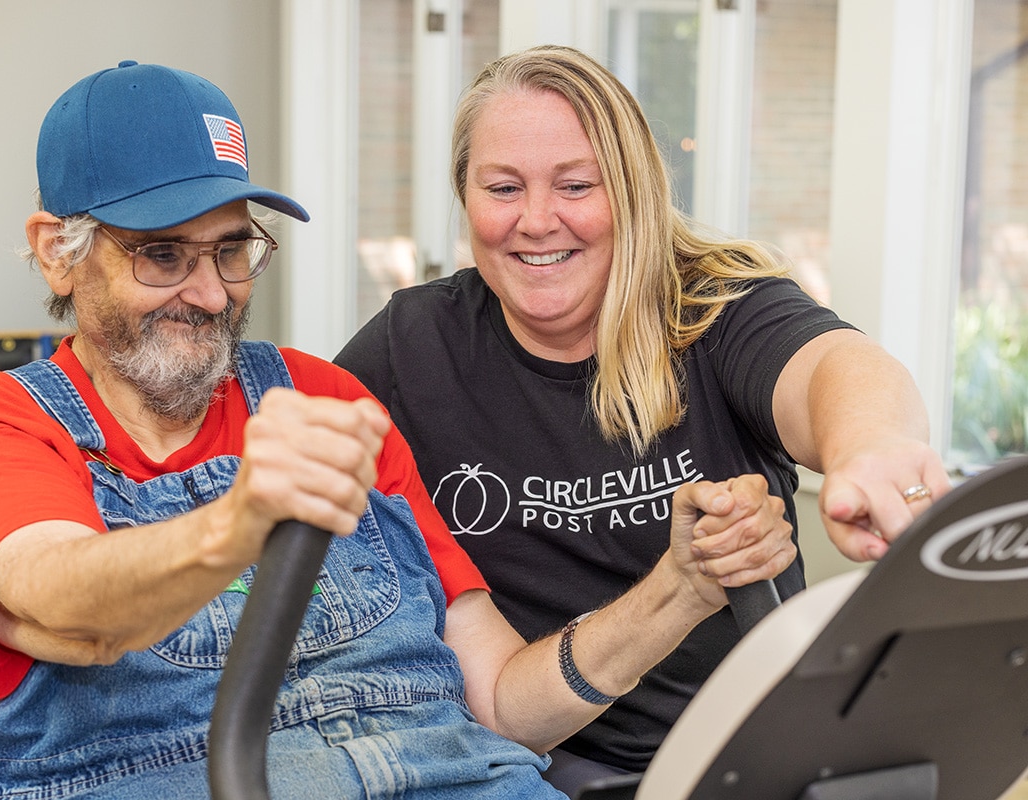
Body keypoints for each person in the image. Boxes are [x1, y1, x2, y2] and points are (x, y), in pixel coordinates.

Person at [0, 61, 795, 800]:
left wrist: (680, 587)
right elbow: (67, 607)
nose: (209, 293)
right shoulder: (6, 420)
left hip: (435, 773)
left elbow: (502, 706)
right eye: (162, 254)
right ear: (59, 249)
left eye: (232, 250)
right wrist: (238, 526)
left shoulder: (329, 397)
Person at [334, 44, 954, 793]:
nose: (535, 221)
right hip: (543, 762)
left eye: (575, 185)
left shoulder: (713, 309)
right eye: (502, 187)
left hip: (756, 749)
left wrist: (871, 445)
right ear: (464, 196)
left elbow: (834, 367)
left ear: (632, 192)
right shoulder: (410, 349)